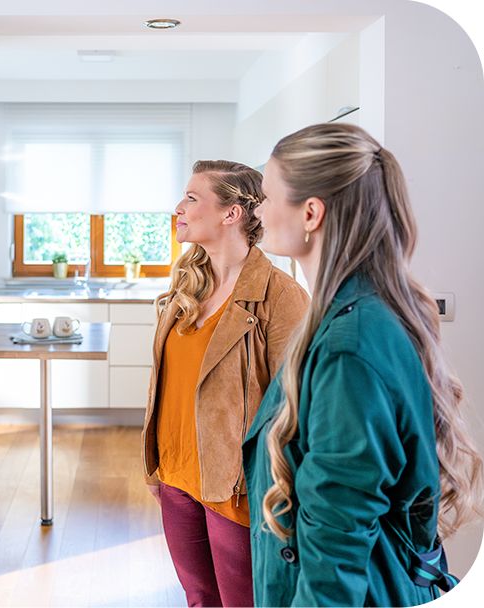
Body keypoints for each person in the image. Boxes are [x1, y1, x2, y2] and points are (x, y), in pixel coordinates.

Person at [245, 122, 483, 606]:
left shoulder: (348, 348)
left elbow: (336, 541)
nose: (258, 211)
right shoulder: (359, 311)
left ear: (311, 213)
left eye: (267, 197)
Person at [142, 160, 309, 607]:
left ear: (231, 213)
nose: (179, 207)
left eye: (192, 198)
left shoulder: (280, 296)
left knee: (243, 602)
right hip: (176, 474)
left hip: (236, 486)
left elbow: (297, 405)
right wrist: (156, 464)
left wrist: (284, 496)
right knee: (199, 598)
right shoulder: (187, 288)